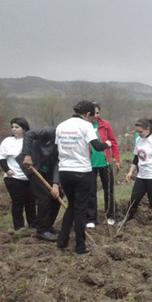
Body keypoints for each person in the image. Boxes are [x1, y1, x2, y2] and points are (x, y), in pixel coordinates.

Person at [55, 100, 111, 255]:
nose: (93, 119)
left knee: (72, 206)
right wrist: (107, 143)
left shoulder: (61, 125)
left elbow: (56, 148)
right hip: (81, 172)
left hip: (64, 172)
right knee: (80, 210)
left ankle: (62, 240)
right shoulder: (86, 126)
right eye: (93, 117)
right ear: (87, 114)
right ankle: (80, 247)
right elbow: (97, 147)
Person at [19, 127, 61, 242]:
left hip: (48, 170)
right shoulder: (51, 132)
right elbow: (28, 134)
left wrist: (55, 184)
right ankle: (41, 230)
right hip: (32, 166)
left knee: (58, 195)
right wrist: (27, 155)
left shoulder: (67, 143)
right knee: (44, 196)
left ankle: (48, 225)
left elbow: (58, 162)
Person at [0, 118, 37, 232]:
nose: (14, 129)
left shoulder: (31, 141)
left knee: (31, 202)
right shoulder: (7, 141)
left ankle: (33, 225)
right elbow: (1, 157)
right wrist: (7, 170)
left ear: (24, 129)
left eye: (17, 127)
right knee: (18, 202)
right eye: (12, 127)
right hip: (14, 178)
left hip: (29, 177)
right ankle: (19, 226)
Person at [86, 102, 120, 228]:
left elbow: (113, 142)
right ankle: (91, 218)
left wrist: (116, 159)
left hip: (106, 162)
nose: (96, 115)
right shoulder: (84, 126)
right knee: (91, 191)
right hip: (89, 163)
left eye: (98, 113)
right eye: (93, 113)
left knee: (109, 189)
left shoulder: (105, 125)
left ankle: (110, 215)